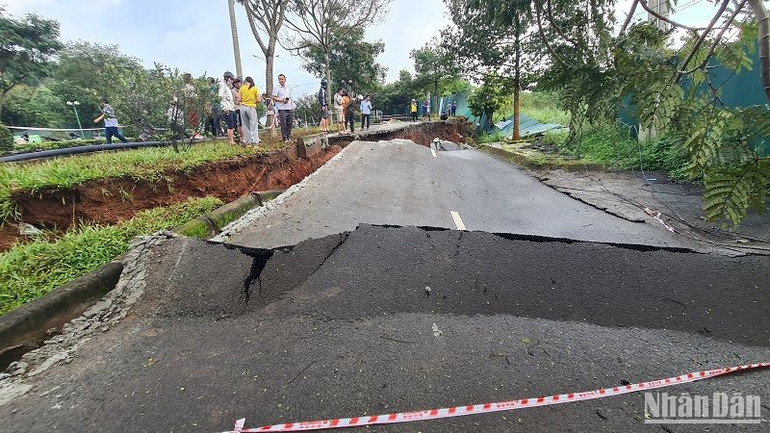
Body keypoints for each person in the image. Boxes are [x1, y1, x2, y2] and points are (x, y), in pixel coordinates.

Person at [271, 74, 295, 142]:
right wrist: (282, 100)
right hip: (282, 109)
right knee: (283, 124)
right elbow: (273, 97)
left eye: (282, 79)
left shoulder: (288, 88)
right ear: (278, 80)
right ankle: (285, 138)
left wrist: (291, 105)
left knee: (289, 124)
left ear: (285, 79)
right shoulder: (276, 88)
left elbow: (290, 98)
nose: (281, 80)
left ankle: (289, 137)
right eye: (280, 79)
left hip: (289, 108)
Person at [240, 76, 262, 145]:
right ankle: (255, 142)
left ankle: (248, 143)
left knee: (245, 126)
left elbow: (239, 99)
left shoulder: (242, 88)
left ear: (246, 82)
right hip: (251, 108)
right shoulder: (255, 88)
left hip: (243, 108)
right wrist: (253, 100)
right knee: (254, 125)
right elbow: (259, 100)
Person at [218, 71, 238, 145]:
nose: (232, 81)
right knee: (230, 126)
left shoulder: (227, 87)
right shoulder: (222, 86)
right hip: (227, 108)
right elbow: (220, 97)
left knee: (233, 125)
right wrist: (224, 107)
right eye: (231, 79)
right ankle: (231, 141)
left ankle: (232, 140)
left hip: (231, 107)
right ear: (226, 78)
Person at [231, 77, 245, 143]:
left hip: (244, 107)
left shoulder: (242, 89)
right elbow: (232, 100)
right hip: (237, 108)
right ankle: (242, 137)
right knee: (240, 124)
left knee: (245, 123)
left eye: (239, 82)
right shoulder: (233, 91)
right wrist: (238, 103)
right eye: (237, 83)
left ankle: (245, 137)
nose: (238, 84)